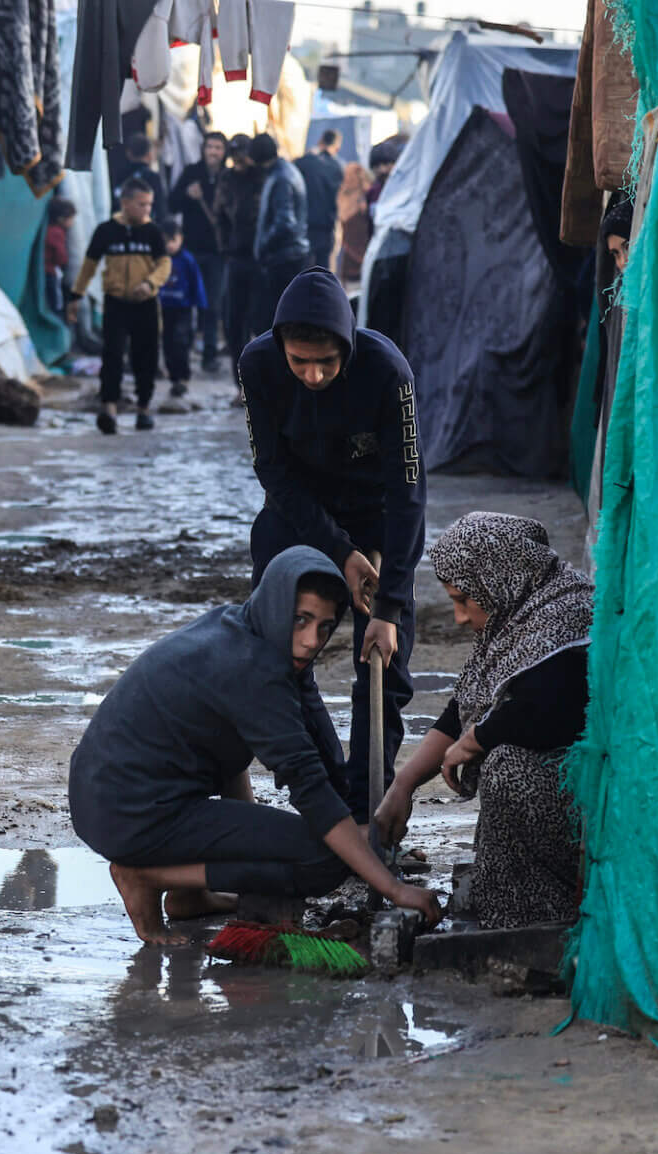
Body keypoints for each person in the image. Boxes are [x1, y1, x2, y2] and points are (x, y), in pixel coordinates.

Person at [69, 546, 440, 945]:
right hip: (128, 812)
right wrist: (394, 888)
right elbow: (309, 786)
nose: (310, 641)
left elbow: (266, 742)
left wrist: (331, 822)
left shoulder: (243, 627)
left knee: (286, 828)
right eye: (300, 620)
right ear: (278, 606)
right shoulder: (251, 671)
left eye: (324, 627)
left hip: (107, 793)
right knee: (325, 861)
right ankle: (144, 877)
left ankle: (188, 895)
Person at [238, 265, 421, 819]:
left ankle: (369, 812)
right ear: (280, 349)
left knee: (383, 665)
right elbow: (274, 472)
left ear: (347, 348)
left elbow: (408, 491)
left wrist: (387, 606)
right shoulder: (257, 364)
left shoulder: (388, 371)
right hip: (298, 516)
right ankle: (325, 805)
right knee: (280, 658)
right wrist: (340, 553)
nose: (313, 376)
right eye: (300, 362)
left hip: (378, 519)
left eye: (326, 362)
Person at [374, 513, 590, 928]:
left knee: (506, 768)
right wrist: (403, 786)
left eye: (463, 600)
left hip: (596, 817)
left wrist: (475, 741)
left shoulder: (567, 616)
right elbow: (464, 708)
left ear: (496, 579)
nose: (458, 617)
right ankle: (514, 898)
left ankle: (547, 915)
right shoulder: (517, 615)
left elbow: (545, 711)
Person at [66, 181, 171, 435]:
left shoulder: (153, 233)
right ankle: (109, 408)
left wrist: (150, 283)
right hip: (115, 303)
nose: (147, 209)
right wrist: (76, 295)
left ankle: (143, 408)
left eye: (149, 204)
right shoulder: (106, 231)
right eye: (141, 204)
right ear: (125, 203)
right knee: (112, 355)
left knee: (144, 358)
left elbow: (164, 265)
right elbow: (89, 265)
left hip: (145, 305)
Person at [167, 131, 231, 371]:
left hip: (218, 252)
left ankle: (209, 355)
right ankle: (181, 355)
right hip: (192, 250)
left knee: (212, 305)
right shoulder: (192, 173)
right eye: (210, 147)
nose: (213, 152)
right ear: (203, 149)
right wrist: (187, 194)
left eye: (218, 148)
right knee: (185, 302)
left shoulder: (228, 177)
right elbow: (171, 202)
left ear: (224, 152)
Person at [246, 134, 311, 345]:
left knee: (272, 320)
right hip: (288, 256)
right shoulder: (284, 172)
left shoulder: (281, 177)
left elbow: (285, 222)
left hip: (283, 259)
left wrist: (264, 246)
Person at [218, 136, 263, 358]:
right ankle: (242, 384)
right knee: (234, 322)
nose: (239, 161)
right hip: (237, 258)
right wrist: (226, 248)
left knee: (262, 320)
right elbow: (221, 218)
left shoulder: (263, 178)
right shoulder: (227, 179)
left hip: (262, 259)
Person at [155, 216, 209, 400]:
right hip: (164, 310)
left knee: (181, 342)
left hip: (183, 310)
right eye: (165, 241)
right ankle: (174, 378)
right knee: (167, 344)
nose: (169, 245)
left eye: (173, 241)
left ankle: (184, 378)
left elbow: (197, 284)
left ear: (180, 239)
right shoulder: (157, 260)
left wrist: (201, 307)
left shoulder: (187, 260)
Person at [297, 129, 345, 270]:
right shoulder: (338, 167)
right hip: (327, 228)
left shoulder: (305, 162)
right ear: (337, 148)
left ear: (320, 142)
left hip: (306, 227)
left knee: (305, 273)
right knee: (324, 273)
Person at [43, 197, 78, 319]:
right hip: (51, 272)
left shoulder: (50, 230)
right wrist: (64, 262)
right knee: (56, 302)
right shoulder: (57, 233)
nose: (73, 222)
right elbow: (60, 256)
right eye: (71, 219)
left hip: (48, 271)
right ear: (61, 219)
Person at [113, 132, 166, 206]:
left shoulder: (119, 175)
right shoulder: (153, 177)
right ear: (150, 154)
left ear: (128, 153)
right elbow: (160, 208)